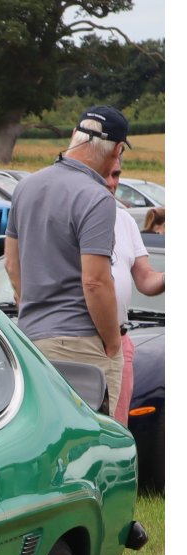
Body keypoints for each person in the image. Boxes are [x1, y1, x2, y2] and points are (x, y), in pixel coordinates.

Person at [5, 105, 129, 415]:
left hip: (32, 342)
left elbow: (11, 264)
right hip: (83, 347)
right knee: (94, 450)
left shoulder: (25, 187)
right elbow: (95, 281)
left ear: (75, 136)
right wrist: (113, 344)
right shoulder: (97, 196)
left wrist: (31, 310)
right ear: (117, 150)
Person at [105, 163, 166, 425]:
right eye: (103, 173)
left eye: (116, 174)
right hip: (79, 339)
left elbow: (146, 280)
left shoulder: (124, 220)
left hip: (120, 340)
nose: (110, 182)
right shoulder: (72, 214)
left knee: (117, 431)